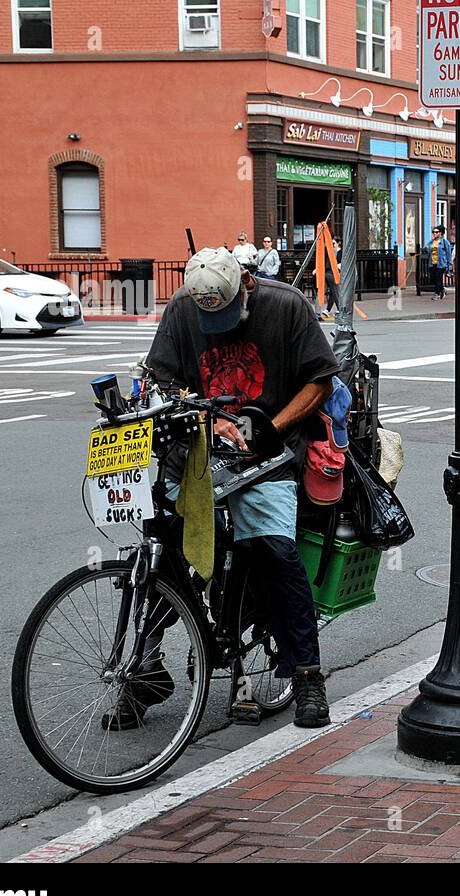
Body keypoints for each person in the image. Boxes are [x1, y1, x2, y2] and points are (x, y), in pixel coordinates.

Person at [145, 247, 339, 728]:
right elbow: (161, 381)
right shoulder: (183, 308)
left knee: (276, 552)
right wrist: (205, 422)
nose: (217, 323)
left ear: (247, 283)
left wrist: (270, 427)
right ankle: (143, 670)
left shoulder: (286, 305)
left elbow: (320, 381)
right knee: (161, 551)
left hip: (268, 455)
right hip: (198, 454)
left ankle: (307, 675)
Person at [428, 225, 453, 301]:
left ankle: (437, 294)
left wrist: (450, 266)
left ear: (441, 233)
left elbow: (449, 254)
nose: (434, 234)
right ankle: (442, 289)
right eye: (433, 232)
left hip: (441, 263)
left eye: (436, 232)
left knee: (438, 279)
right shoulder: (431, 242)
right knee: (432, 279)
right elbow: (427, 250)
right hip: (432, 263)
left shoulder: (445, 242)